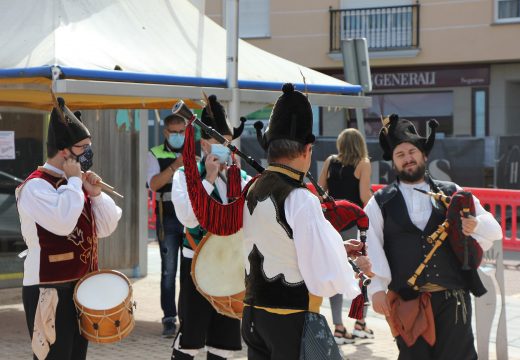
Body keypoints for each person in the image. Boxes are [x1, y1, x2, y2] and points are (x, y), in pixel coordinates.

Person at [242, 83, 371, 359]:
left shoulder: (253, 188)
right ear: (307, 149)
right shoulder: (300, 197)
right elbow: (322, 278)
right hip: (290, 318)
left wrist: (338, 248)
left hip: (253, 314)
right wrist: (354, 270)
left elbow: (285, 244)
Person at [365, 114, 502, 360]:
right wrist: (376, 289)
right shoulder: (379, 202)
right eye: (400, 154)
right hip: (407, 302)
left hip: (453, 300)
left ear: (423, 155)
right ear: (393, 162)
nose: (407, 158)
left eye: (412, 151)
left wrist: (474, 223)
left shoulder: (454, 193)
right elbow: (371, 246)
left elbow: (494, 229)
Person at [16, 98, 122, 360]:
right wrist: (75, 183)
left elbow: (107, 226)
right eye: (83, 148)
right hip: (47, 288)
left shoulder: (75, 185)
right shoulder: (36, 186)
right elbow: (63, 223)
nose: (88, 152)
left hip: (79, 288)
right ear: (65, 151)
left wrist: (95, 194)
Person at [171, 95, 249, 360]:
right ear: (205, 144)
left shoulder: (241, 177)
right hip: (196, 265)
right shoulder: (183, 176)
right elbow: (188, 219)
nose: (226, 149)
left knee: (224, 343)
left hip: (230, 267)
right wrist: (209, 179)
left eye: (229, 144)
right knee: (190, 339)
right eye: (221, 143)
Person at [318, 127, 374, 343]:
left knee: (336, 273)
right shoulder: (363, 163)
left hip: (332, 224)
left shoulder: (330, 161)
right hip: (353, 224)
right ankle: (360, 322)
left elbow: (321, 189)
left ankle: (339, 327)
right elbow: (363, 196)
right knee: (362, 270)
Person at [147, 114, 186, 337]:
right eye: (174, 132)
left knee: (190, 271)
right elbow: (153, 184)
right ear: (165, 132)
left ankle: (189, 317)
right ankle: (169, 318)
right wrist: (174, 167)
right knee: (169, 270)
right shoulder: (155, 153)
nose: (179, 136)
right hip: (167, 215)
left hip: (190, 217)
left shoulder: (194, 152)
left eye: (182, 132)